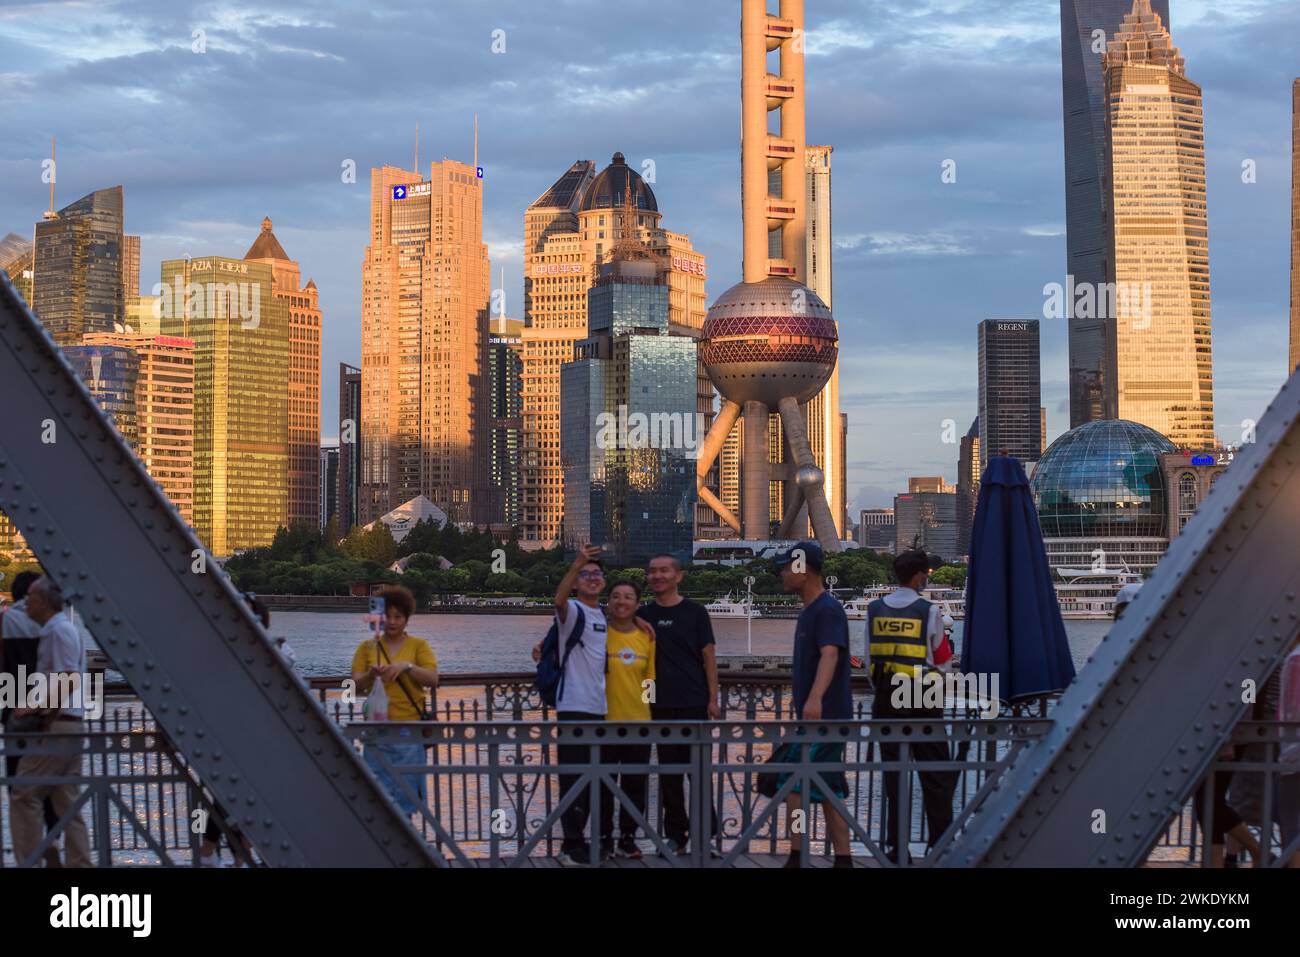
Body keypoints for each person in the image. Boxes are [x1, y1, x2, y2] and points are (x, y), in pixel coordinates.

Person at [867, 550, 955, 863]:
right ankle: (940, 844)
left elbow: (869, 660)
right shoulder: (928, 610)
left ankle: (896, 848)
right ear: (919, 576)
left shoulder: (874, 609)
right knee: (936, 775)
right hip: (923, 697)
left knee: (895, 777)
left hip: (885, 700)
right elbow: (943, 661)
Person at [774, 541, 853, 868]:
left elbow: (830, 653)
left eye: (785, 566)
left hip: (825, 718)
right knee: (829, 790)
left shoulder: (826, 609)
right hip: (822, 717)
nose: (780, 573)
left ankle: (796, 855)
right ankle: (844, 860)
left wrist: (815, 698)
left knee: (793, 782)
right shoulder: (812, 610)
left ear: (802, 570)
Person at [638, 552, 719, 855]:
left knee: (698, 773)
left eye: (664, 571)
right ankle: (676, 836)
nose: (657, 576)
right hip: (659, 708)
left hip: (695, 705)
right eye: (652, 571)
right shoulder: (643, 615)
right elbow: (639, 661)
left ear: (678, 576)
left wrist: (713, 698)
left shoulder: (696, 613)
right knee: (669, 775)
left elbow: (708, 655)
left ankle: (704, 837)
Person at [9, 576, 92, 868]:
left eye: (30, 598)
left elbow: (68, 678)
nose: (25, 603)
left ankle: (30, 860)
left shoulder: (56, 631)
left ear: (43, 601)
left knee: (23, 793)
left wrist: (34, 706)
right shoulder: (65, 629)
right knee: (67, 800)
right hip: (72, 723)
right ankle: (79, 863)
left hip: (57, 726)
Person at [350, 586, 439, 820]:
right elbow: (356, 684)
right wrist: (372, 675)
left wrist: (406, 667)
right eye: (387, 616)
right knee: (378, 798)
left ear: (407, 619)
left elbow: (432, 678)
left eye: (398, 616)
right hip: (376, 730)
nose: (392, 621)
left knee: (405, 798)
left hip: (409, 730)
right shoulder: (368, 647)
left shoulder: (418, 646)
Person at [2, 571, 63, 866]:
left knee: (19, 789)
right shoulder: (54, 626)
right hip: (50, 712)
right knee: (52, 786)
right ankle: (53, 840)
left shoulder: (6, 620)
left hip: (14, 710)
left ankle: (28, 852)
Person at [599, 579, 655, 859]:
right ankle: (604, 838)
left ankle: (629, 838)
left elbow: (650, 678)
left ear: (637, 604)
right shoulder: (598, 633)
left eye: (628, 597)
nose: (621, 601)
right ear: (608, 602)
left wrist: (647, 712)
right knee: (604, 785)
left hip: (638, 723)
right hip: (604, 722)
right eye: (616, 596)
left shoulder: (646, 637)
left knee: (635, 785)